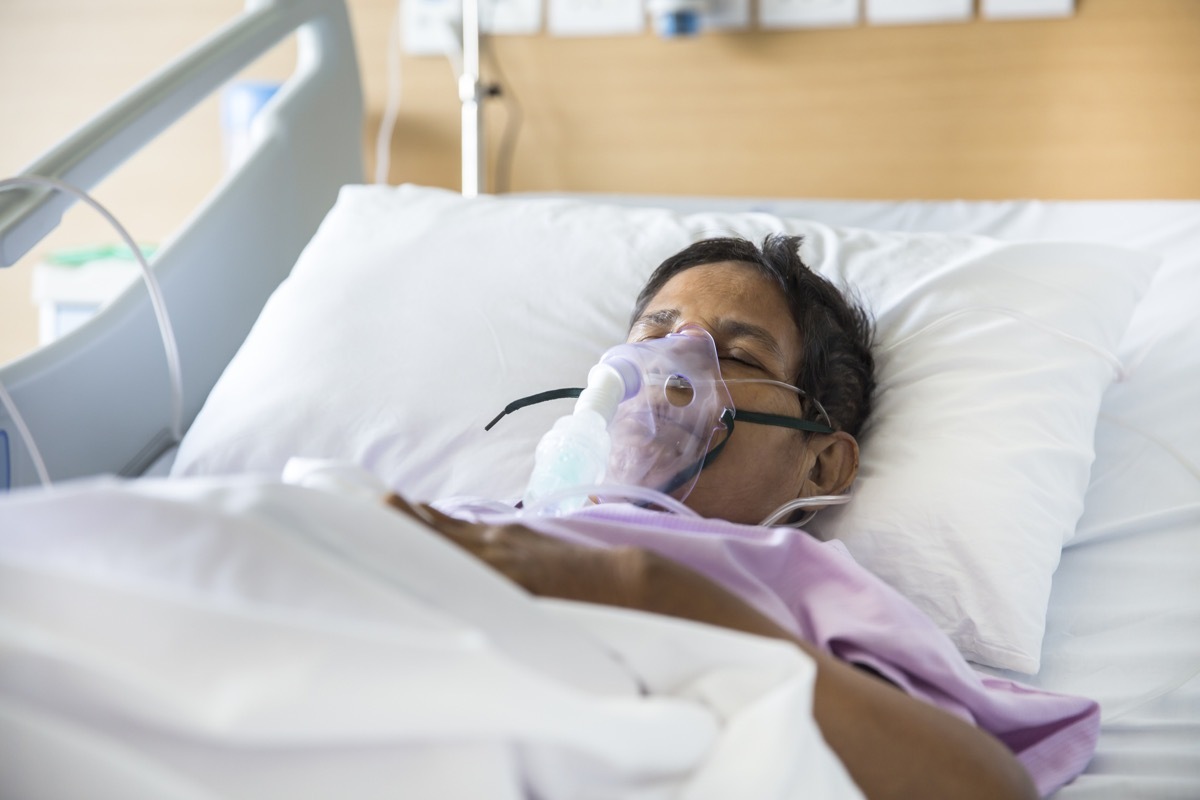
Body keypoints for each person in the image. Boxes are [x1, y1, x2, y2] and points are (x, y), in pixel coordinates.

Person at [385, 235, 1061, 800]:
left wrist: (639, 588)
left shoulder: (802, 582)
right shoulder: (465, 518)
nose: (668, 365)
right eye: (655, 329)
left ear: (821, 464)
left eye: (737, 355)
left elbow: (985, 786)